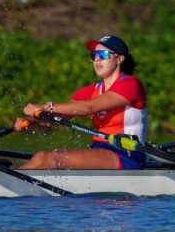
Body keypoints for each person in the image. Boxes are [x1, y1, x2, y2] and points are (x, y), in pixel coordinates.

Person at [16, 34, 147, 169]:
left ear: (119, 58)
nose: (97, 60)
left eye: (102, 55)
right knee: (39, 159)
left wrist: (45, 106)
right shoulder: (88, 91)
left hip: (126, 153)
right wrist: (31, 121)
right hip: (99, 149)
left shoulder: (131, 84)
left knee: (45, 158)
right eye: (94, 56)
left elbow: (89, 108)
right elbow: (60, 117)